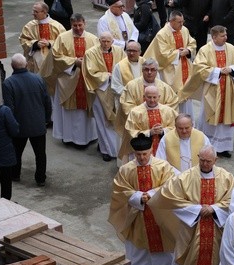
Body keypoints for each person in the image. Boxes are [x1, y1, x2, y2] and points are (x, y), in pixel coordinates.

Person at [148, 145, 234, 265]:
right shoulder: (186, 177)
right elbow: (170, 198)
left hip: (216, 230)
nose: (204, 163)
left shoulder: (226, 177)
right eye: (201, 160)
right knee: (187, 263)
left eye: (208, 161)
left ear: (215, 160)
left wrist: (215, 209)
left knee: (216, 262)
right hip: (191, 230)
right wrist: (196, 210)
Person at [108, 134, 176, 265]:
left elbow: (170, 185)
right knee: (138, 241)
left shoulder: (163, 166)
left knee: (162, 241)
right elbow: (120, 189)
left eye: (145, 153)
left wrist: (151, 194)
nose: (142, 157)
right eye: (138, 154)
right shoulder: (127, 169)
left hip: (158, 212)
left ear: (151, 150)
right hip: (136, 212)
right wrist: (137, 197)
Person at [180, 25, 234, 158]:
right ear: (214, 37)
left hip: (228, 89)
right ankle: (208, 145)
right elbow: (198, 67)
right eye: (222, 36)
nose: (226, 38)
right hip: (212, 90)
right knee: (209, 114)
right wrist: (218, 71)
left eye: (226, 35)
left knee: (226, 116)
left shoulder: (231, 48)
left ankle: (224, 147)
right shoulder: (205, 50)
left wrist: (232, 69)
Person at [39, 13, 98, 149]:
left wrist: (87, 65)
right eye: (74, 26)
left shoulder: (93, 39)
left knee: (85, 111)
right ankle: (69, 137)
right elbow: (56, 56)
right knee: (69, 111)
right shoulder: (63, 37)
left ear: (85, 23)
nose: (77, 28)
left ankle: (88, 137)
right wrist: (74, 62)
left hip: (86, 79)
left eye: (80, 25)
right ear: (71, 25)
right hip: (67, 80)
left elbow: (98, 57)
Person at [2, 53, 52, 187]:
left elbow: (9, 108)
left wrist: (10, 127)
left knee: (16, 152)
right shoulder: (38, 79)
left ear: (12, 66)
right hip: (38, 124)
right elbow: (47, 101)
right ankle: (40, 178)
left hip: (19, 126)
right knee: (40, 154)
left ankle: (15, 174)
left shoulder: (8, 83)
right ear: (26, 64)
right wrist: (46, 119)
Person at [118, 58, 179, 159]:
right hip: (140, 127)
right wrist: (143, 113)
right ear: (142, 70)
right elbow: (126, 105)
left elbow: (172, 106)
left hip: (161, 131)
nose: (149, 72)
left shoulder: (164, 87)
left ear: (157, 70)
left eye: (153, 69)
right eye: (146, 69)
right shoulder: (131, 86)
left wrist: (160, 116)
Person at [82, 32, 125, 162]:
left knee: (115, 120)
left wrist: (117, 78)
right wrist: (107, 76)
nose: (105, 44)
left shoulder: (119, 51)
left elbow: (124, 67)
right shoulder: (91, 53)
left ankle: (115, 148)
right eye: (102, 41)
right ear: (99, 40)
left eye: (108, 41)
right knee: (102, 121)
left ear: (112, 42)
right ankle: (106, 150)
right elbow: (90, 72)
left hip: (116, 90)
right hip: (100, 90)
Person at [143, 10, 197, 101]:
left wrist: (188, 50)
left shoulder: (184, 30)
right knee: (173, 95)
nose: (182, 24)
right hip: (170, 69)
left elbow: (192, 43)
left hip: (185, 66)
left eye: (183, 21)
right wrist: (179, 53)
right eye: (179, 22)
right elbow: (163, 54)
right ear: (171, 21)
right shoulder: (162, 34)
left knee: (187, 94)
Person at [122, 86, 178, 159]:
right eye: (149, 97)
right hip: (143, 150)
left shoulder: (168, 111)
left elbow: (176, 128)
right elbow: (130, 131)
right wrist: (149, 133)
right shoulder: (135, 112)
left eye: (154, 97)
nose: (152, 100)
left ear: (159, 97)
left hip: (164, 148)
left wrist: (163, 131)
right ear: (144, 97)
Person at [19, 1, 65, 73]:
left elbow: (64, 43)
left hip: (52, 61)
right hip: (34, 64)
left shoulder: (57, 26)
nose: (33, 13)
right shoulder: (29, 26)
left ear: (44, 12)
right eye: (33, 11)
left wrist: (49, 44)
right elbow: (23, 39)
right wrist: (35, 44)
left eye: (36, 12)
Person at [0, 104, 18, 200]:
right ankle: (6, 203)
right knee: (6, 180)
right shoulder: (5, 111)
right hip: (5, 151)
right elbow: (14, 130)